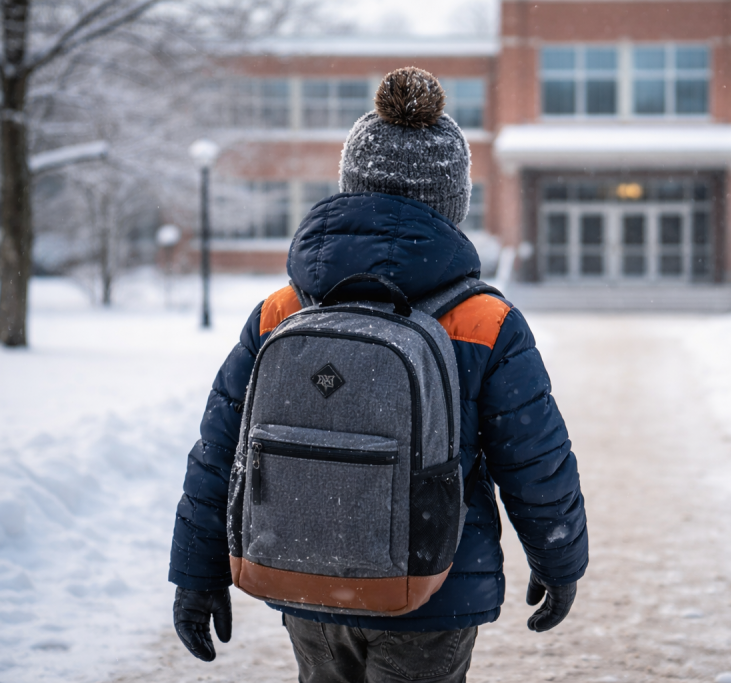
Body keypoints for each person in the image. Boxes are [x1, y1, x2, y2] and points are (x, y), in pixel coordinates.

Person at [168, 66, 588, 683]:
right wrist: (558, 558)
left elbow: (221, 451)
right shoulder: (485, 321)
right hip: (433, 583)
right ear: (452, 204)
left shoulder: (283, 311)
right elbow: (534, 459)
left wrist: (197, 572)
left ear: (350, 187)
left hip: (307, 571)